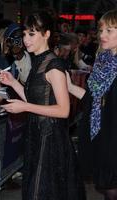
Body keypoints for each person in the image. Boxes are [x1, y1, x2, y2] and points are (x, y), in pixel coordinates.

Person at [0, 11, 85, 200]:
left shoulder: (54, 65)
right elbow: (34, 99)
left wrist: (25, 107)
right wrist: (13, 83)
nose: (26, 40)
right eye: (24, 34)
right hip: (36, 136)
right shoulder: (38, 62)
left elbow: (63, 110)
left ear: (46, 35)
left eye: (32, 34)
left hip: (51, 139)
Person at [67, 9, 117, 200]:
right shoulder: (102, 62)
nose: (102, 35)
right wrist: (69, 86)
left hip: (113, 140)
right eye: (101, 30)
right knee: (107, 187)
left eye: (110, 30)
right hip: (102, 136)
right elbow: (92, 98)